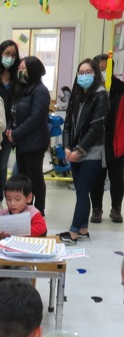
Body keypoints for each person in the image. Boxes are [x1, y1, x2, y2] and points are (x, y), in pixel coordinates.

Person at [59, 58, 109, 244]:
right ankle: (83, 229)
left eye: (88, 72)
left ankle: (73, 233)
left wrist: (79, 150)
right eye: (81, 72)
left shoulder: (101, 95)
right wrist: (67, 146)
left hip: (92, 151)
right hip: (74, 151)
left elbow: (96, 127)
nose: (84, 76)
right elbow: (68, 123)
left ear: (95, 74)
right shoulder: (77, 94)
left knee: (82, 191)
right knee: (82, 192)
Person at [7, 56, 50, 216]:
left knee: (35, 177)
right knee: (24, 177)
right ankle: (27, 207)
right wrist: (10, 129)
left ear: (33, 70)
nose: (20, 72)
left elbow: (36, 117)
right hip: (21, 142)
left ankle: (39, 210)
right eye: (19, 69)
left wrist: (16, 133)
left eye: (23, 69)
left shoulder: (40, 90)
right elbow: (14, 112)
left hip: (34, 142)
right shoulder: (22, 89)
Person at [90, 54, 124, 224]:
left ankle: (116, 208)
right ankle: (96, 209)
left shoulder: (119, 89)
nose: (103, 72)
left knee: (117, 177)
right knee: (97, 176)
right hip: (96, 139)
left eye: (106, 69)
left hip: (116, 139)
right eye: (100, 69)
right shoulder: (92, 89)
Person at [0, 40, 21, 198]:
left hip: (9, 129)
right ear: (0, 53)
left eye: (13, 55)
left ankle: (0, 198)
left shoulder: (18, 78)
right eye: (7, 54)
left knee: (2, 166)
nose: (10, 57)